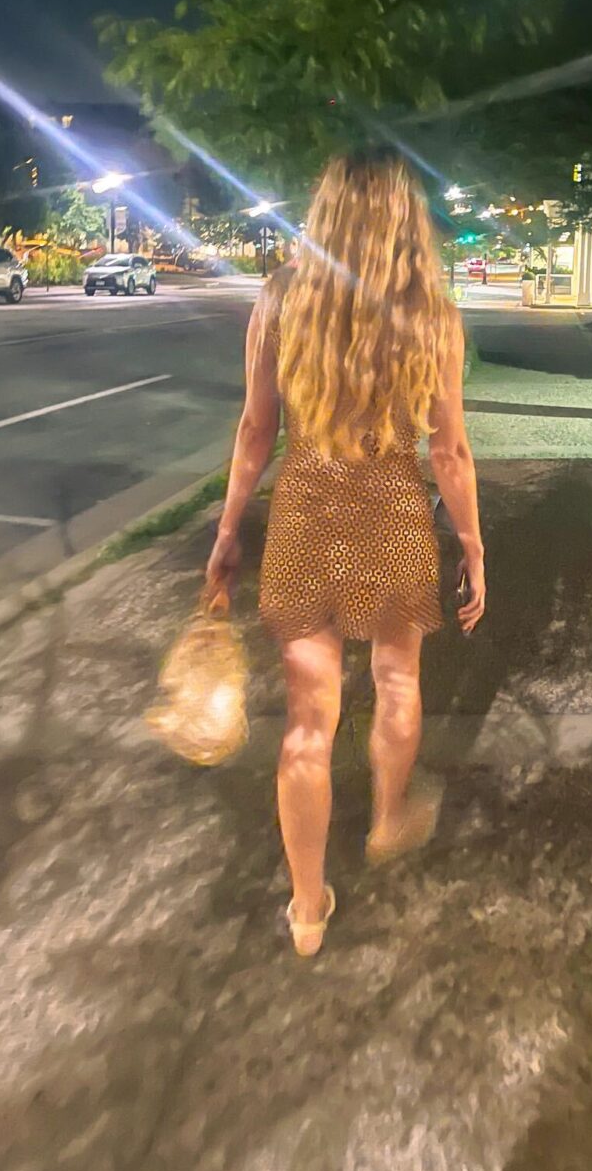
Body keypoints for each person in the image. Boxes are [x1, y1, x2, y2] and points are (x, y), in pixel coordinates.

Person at [205, 148, 486, 956]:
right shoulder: (431, 312)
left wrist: (229, 529)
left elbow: (257, 429)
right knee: (397, 681)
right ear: (407, 219)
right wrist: (470, 541)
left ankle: (305, 906)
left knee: (306, 719)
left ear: (323, 213)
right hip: (392, 508)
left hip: (306, 511)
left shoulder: (282, 298)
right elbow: (451, 451)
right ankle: (389, 819)